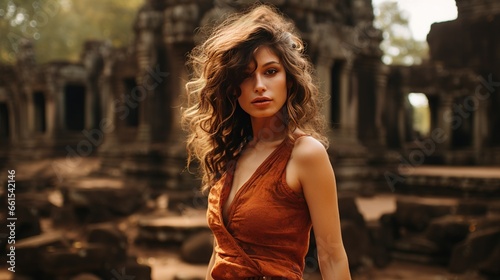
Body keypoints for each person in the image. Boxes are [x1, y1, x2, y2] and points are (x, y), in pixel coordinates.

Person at [182, 4, 351, 280]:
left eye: (271, 71)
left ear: (289, 79)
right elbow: (221, 252)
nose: (259, 85)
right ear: (232, 88)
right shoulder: (232, 150)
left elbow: (331, 256)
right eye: (246, 76)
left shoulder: (306, 154)